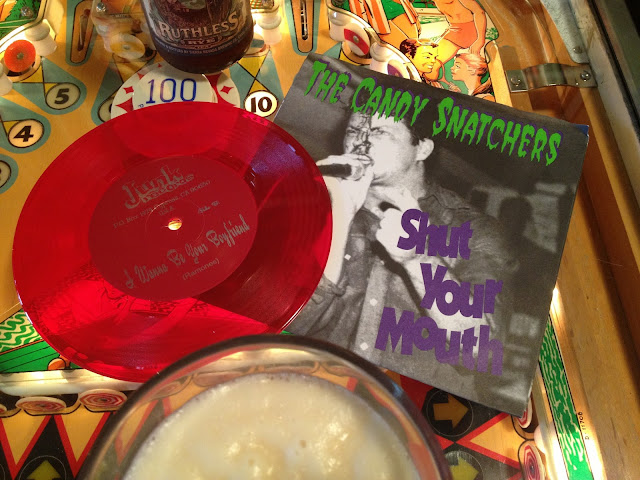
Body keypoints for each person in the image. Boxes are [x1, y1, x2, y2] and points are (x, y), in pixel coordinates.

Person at [290, 111, 518, 396]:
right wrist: (338, 216)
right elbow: (290, 323)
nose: (361, 142)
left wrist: (418, 259)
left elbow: (482, 351)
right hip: (315, 394)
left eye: (379, 131)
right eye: (354, 131)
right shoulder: (317, 205)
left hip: (412, 413)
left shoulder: (473, 229)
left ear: (422, 148)